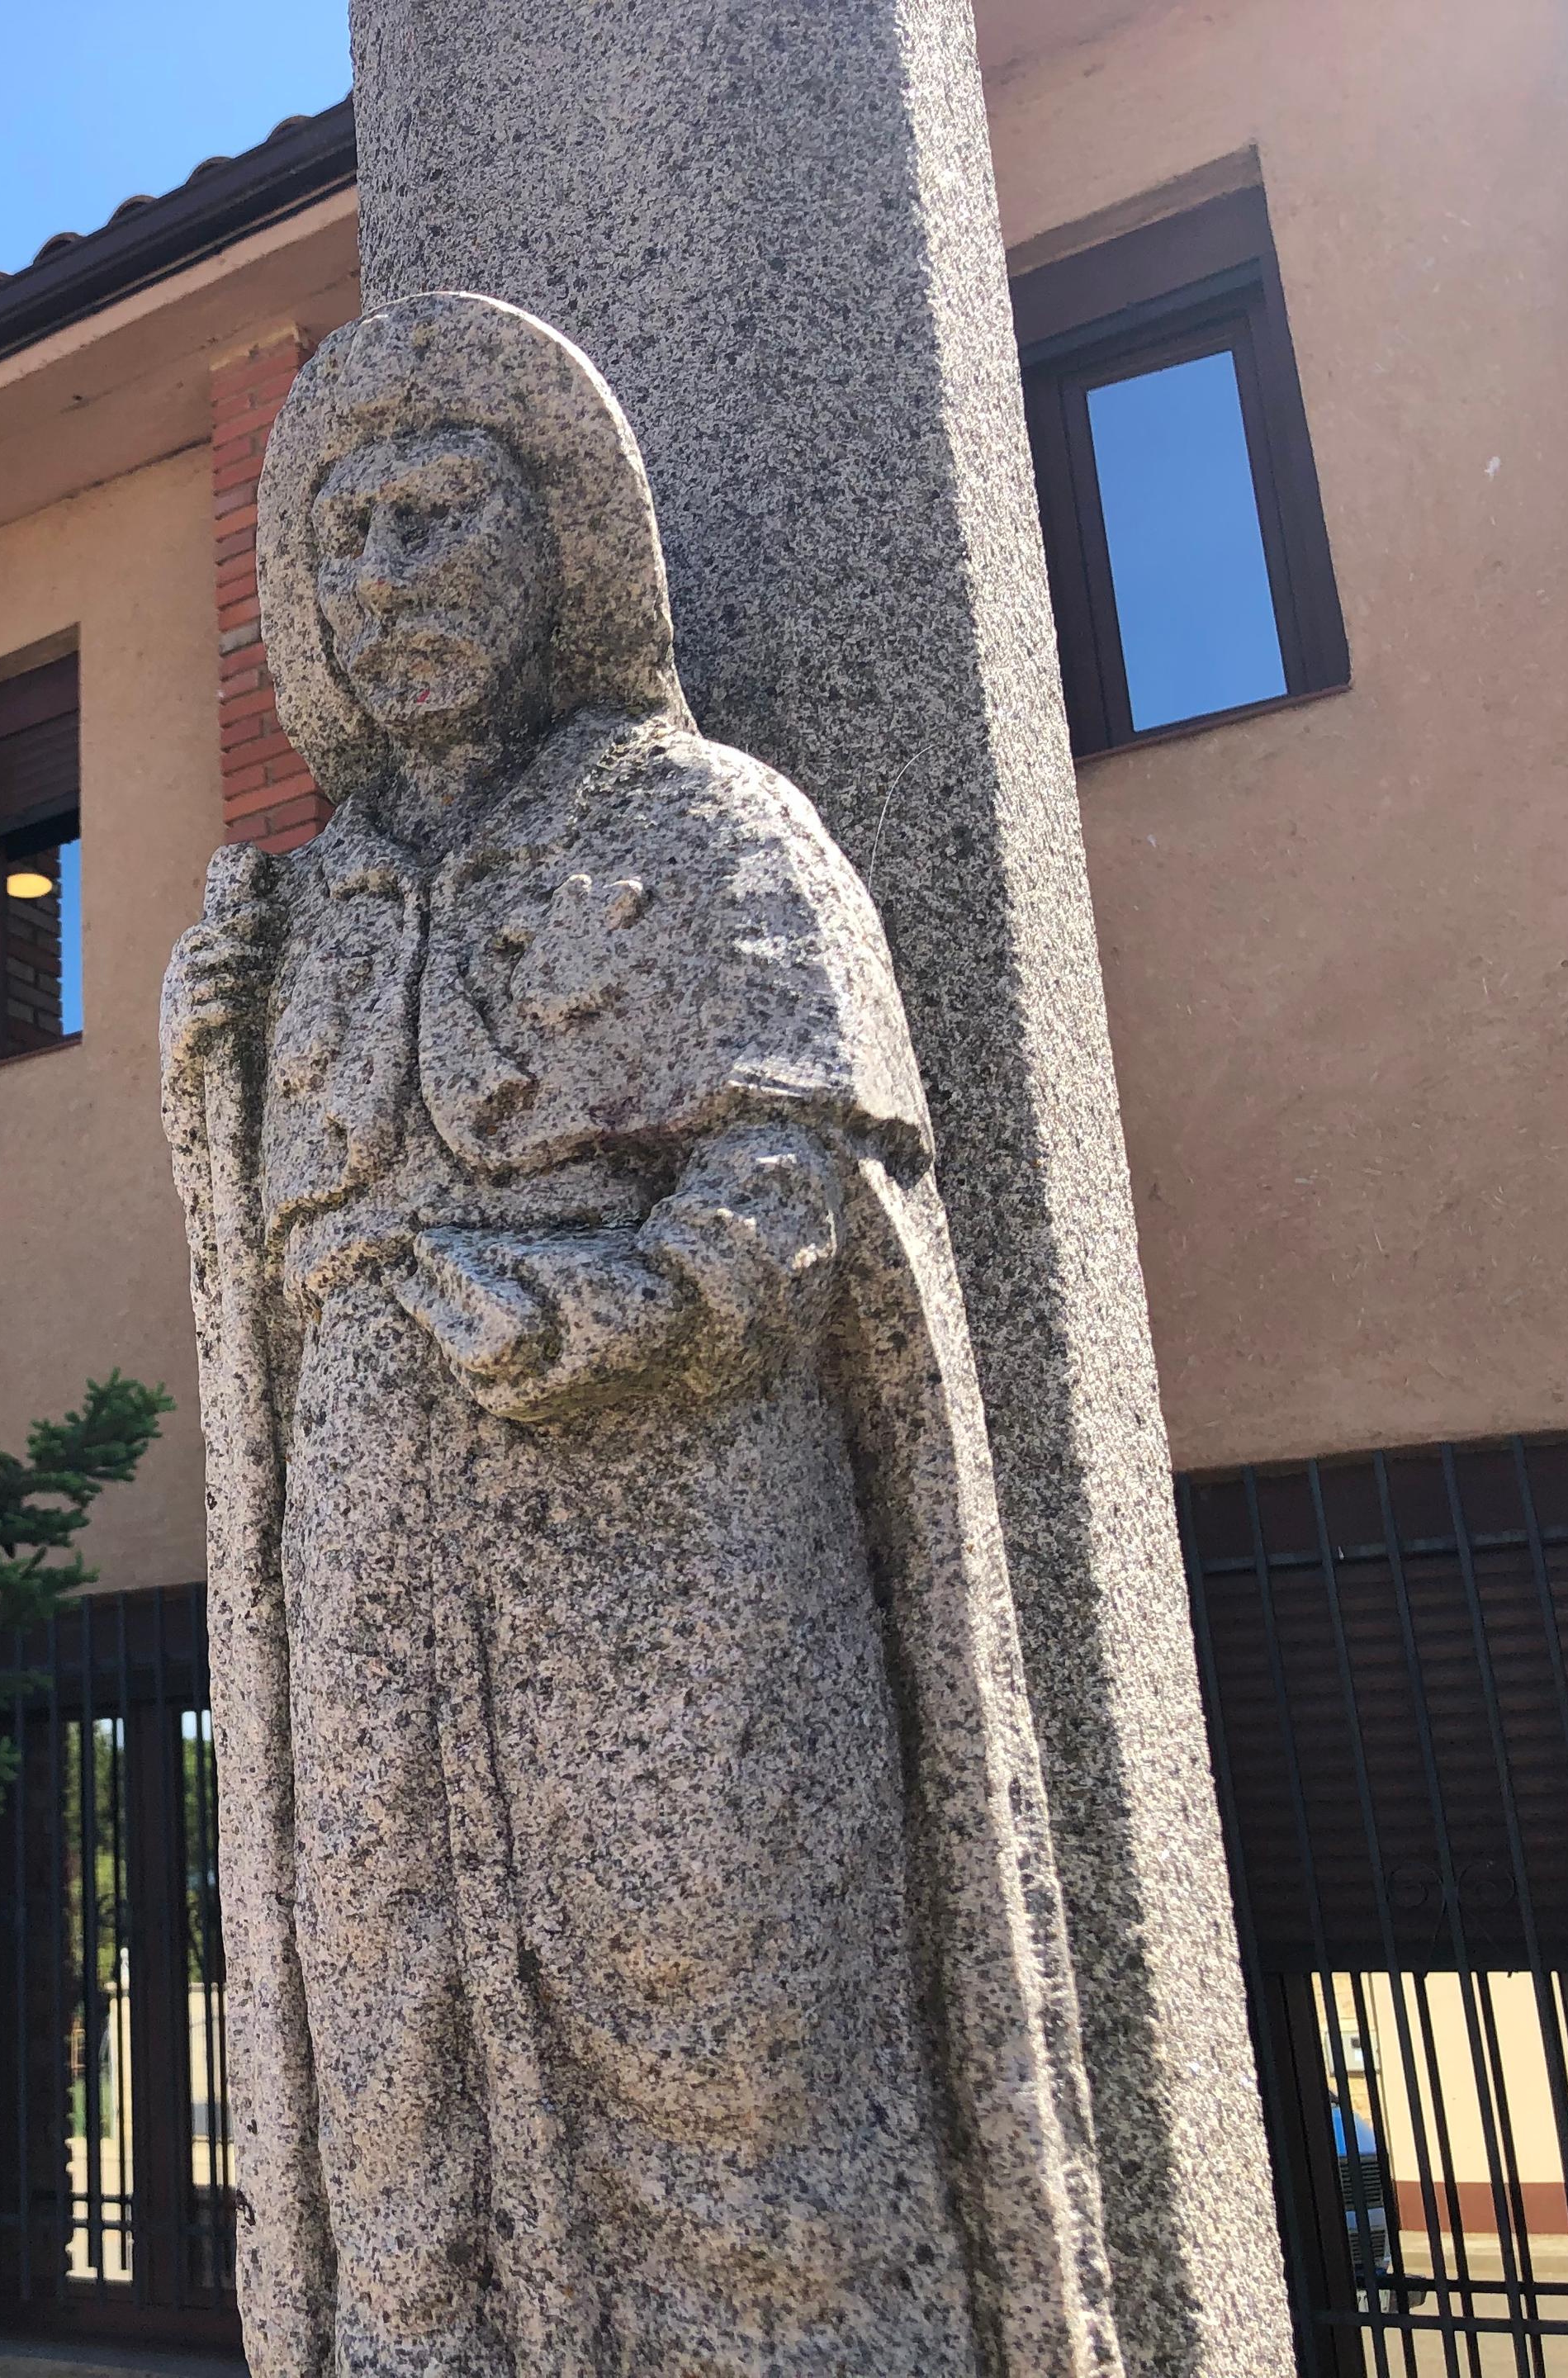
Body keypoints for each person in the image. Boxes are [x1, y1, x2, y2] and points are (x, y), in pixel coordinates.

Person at [161, 292, 1122, 2378]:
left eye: (441, 516)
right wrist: (197, 1067)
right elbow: (266, 1287)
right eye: (348, 537)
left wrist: (601, 1311)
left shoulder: (704, 829)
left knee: (740, 2074)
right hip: (376, 1619)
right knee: (398, 2103)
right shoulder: (287, 924)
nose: (391, 577)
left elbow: (805, 1203)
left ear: (565, 542)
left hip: (672, 1560)